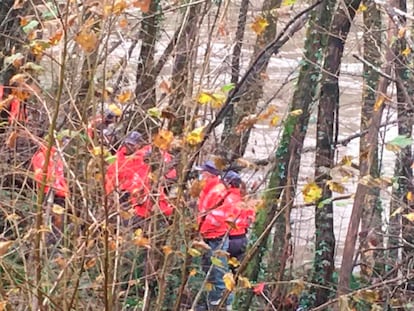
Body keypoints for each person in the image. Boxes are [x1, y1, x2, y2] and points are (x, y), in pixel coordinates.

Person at [196, 164, 238, 311]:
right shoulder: (208, 190)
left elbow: (218, 217)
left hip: (216, 238)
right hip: (207, 237)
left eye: (203, 173)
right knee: (209, 273)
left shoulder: (218, 191)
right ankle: (211, 303)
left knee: (219, 274)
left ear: (209, 174)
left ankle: (224, 305)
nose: (201, 176)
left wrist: (202, 229)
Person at [31, 136, 69, 241]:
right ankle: (47, 242)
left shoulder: (57, 155)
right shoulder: (42, 156)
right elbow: (39, 176)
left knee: (58, 220)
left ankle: (55, 241)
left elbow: (61, 176)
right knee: (49, 219)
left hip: (60, 193)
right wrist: (51, 184)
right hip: (49, 192)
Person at [224, 171, 255, 267]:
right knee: (238, 270)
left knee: (223, 269)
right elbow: (251, 219)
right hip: (242, 239)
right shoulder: (245, 199)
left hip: (229, 239)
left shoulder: (225, 199)